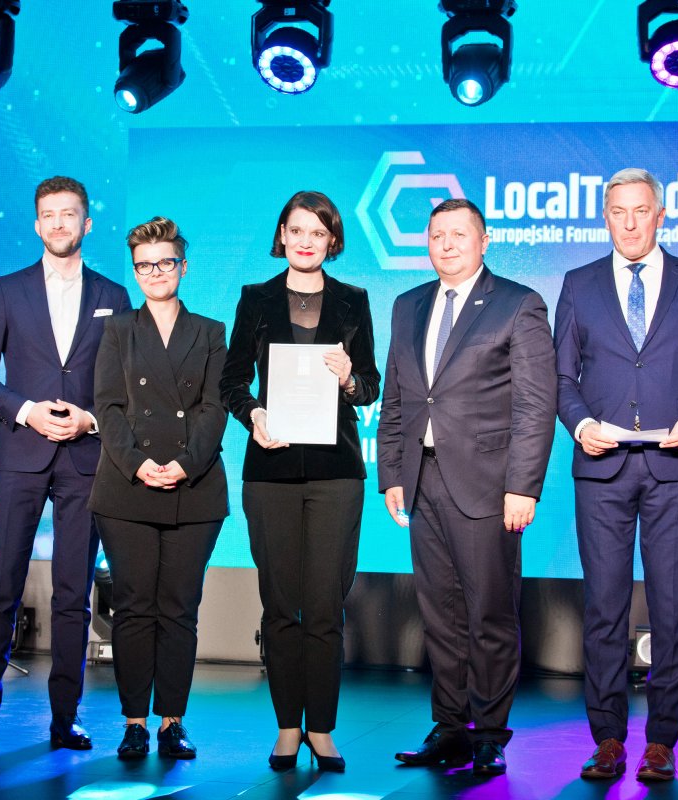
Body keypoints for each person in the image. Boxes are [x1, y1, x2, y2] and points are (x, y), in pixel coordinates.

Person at [554, 168, 678, 782]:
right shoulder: (579, 284)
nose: (630, 223)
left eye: (641, 211)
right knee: (604, 609)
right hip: (601, 468)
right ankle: (608, 738)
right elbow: (561, 377)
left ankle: (661, 741)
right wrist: (581, 425)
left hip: (676, 468)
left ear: (660, 215)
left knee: (671, 607)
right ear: (605, 216)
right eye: (618, 211)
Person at [377, 198, 557, 778]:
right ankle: (451, 727)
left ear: (484, 241)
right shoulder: (407, 305)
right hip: (422, 478)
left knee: (490, 614)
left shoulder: (518, 304)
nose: (447, 244)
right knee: (440, 614)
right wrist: (392, 473)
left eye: (459, 234)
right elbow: (397, 398)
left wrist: (523, 485)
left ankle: (490, 733)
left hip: (489, 484)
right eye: (437, 235)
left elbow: (535, 405)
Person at [0, 175, 131, 753]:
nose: (59, 223)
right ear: (37, 225)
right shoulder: (7, 290)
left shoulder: (114, 295)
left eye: (69, 214)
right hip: (19, 455)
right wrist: (26, 410)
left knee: (72, 594)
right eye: (49, 214)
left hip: (85, 459)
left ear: (87, 223)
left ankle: (65, 717)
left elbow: (125, 384)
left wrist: (91, 421)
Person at [220, 190, 380, 772]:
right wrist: (254, 415)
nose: (306, 240)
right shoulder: (255, 298)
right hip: (272, 471)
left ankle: (323, 728)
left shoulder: (354, 300)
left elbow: (371, 386)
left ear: (332, 240)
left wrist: (349, 379)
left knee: (325, 607)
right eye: (296, 230)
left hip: (337, 472)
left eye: (318, 231)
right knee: (280, 605)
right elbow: (232, 381)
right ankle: (288, 726)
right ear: (282, 236)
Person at [88, 217, 229, 761]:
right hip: (127, 487)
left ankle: (172, 720)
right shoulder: (118, 330)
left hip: (194, 488)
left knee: (179, 608)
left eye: (165, 262)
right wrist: (139, 463)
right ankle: (133, 722)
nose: (155, 272)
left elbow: (214, 408)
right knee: (133, 607)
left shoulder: (211, 331)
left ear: (182, 267)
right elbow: (108, 407)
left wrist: (185, 464)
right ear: (135, 270)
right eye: (144, 265)